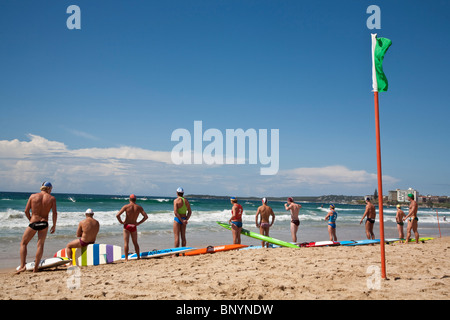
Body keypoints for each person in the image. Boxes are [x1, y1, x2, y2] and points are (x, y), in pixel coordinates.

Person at [17, 182, 57, 273]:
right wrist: (54, 225)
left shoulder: (33, 196)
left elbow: (26, 211)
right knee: (40, 245)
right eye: (51, 189)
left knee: (23, 243)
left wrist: (31, 220)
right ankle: (35, 268)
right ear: (49, 188)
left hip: (34, 222)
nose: (51, 191)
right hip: (44, 223)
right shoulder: (52, 198)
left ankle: (22, 266)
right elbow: (54, 213)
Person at [116, 194, 148, 261]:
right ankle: (138, 257)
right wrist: (138, 223)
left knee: (126, 243)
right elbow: (146, 217)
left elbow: (117, 215)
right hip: (134, 226)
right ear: (135, 199)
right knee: (135, 242)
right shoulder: (139, 207)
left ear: (129, 199)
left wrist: (121, 222)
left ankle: (126, 258)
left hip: (127, 225)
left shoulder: (126, 206)